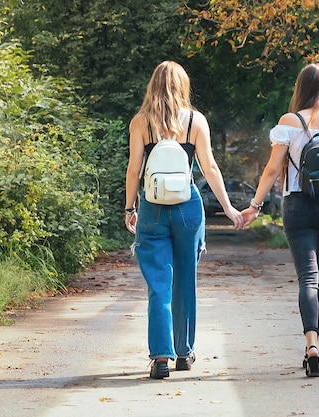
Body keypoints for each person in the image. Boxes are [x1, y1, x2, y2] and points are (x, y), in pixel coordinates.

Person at [240, 63, 319, 377]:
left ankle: (311, 344)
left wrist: (255, 205)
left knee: (308, 278)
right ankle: (315, 343)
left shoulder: (288, 123)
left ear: (300, 89)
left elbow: (271, 170)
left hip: (297, 206)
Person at [124, 61, 244, 379]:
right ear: (183, 86)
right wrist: (229, 208)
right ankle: (184, 352)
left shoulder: (141, 122)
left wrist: (129, 208)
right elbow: (210, 168)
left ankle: (161, 357)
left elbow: (134, 170)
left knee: (159, 284)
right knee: (186, 282)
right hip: (187, 206)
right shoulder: (195, 121)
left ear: (153, 85)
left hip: (152, 206)